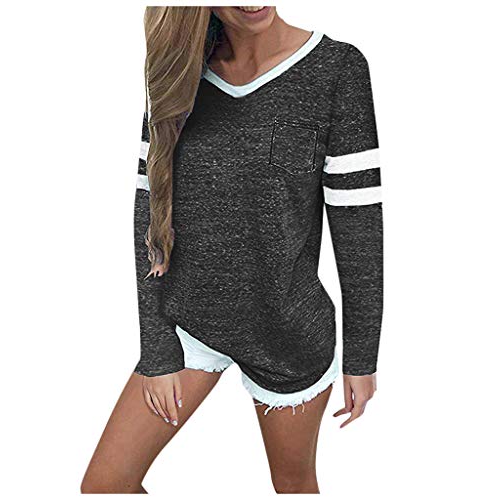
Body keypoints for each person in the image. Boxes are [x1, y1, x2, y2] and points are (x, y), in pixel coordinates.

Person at [81, 5, 383, 494]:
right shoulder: (178, 71)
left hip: (288, 332)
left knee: (293, 484)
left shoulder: (338, 69)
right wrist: (157, 352)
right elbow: (150, 216)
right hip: (188, 323)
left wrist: (361, 358)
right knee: (106, 485)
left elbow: (359, 225)